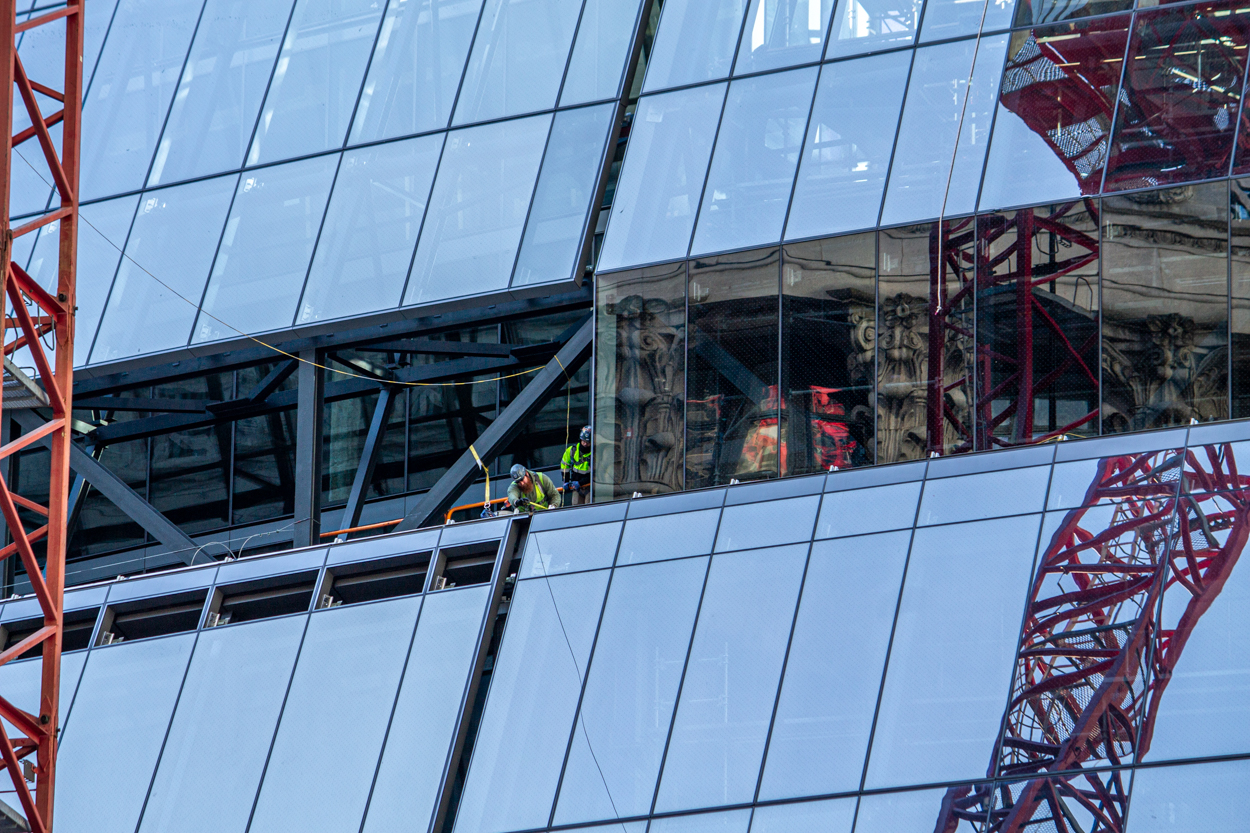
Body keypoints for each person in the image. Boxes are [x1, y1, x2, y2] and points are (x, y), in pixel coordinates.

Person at [561, 425, 592, 505]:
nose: (585, 444)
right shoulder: (572, 451)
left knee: (589, 507)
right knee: (576, 506)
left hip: (589, 486)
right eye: (583, 441)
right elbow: (564, 465)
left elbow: (596, 474)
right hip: (576, 487)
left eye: (588, 443)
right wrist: (566, 481)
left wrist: (581, 483)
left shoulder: (594, 454)